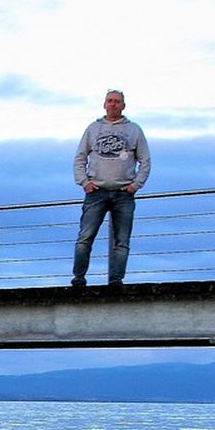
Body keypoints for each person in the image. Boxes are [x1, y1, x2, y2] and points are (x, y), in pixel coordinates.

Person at [71, 89, 151, 287]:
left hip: (124, 193)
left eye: (117, 101)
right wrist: (84, 182)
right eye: (110, 101)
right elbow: (80, 157)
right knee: (85, 238)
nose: (113, 104)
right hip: (96, 192)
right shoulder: (93, 129)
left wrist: (135, 185)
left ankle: (116, 279)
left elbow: (145, 160)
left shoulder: (134, 130)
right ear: (104, 104)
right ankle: (79, 278)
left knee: (122, 240)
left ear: (123, 105)